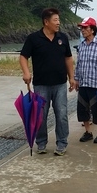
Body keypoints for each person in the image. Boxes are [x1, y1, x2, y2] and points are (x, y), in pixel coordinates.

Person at [19, 8, 76, 156]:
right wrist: (26, 72)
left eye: (58, 20)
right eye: (55, 20)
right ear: (46, 22)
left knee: (62, 113)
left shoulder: (63, 38)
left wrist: (72, 77)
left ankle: (62, 143)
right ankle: (41, 142)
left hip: (60, 84)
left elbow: (68, 58)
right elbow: (23, 57)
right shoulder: (33, 38)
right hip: (41, 85)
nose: (58, 23)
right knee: (40, 115)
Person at [74, 17, 97, 144]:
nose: (83, 30)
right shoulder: (81, 46)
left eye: (85, 28)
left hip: (96, 83)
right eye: (82, 28)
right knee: (83, 108)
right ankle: (88, 132)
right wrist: (76, 79)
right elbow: (78, 64)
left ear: (93, 30)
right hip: (83, 83)